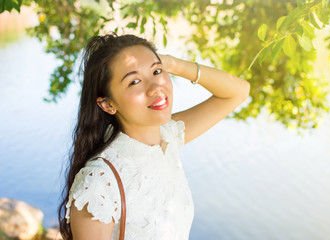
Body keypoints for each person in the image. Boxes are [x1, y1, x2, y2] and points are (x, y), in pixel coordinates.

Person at [58, 33, 250, 240]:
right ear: (108, 104)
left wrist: (174, 64)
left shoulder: (168, 138)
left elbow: (237, 91)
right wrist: (157, 67)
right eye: (134, 82)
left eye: (157, 72)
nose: (155, 88)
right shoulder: (99, 183)